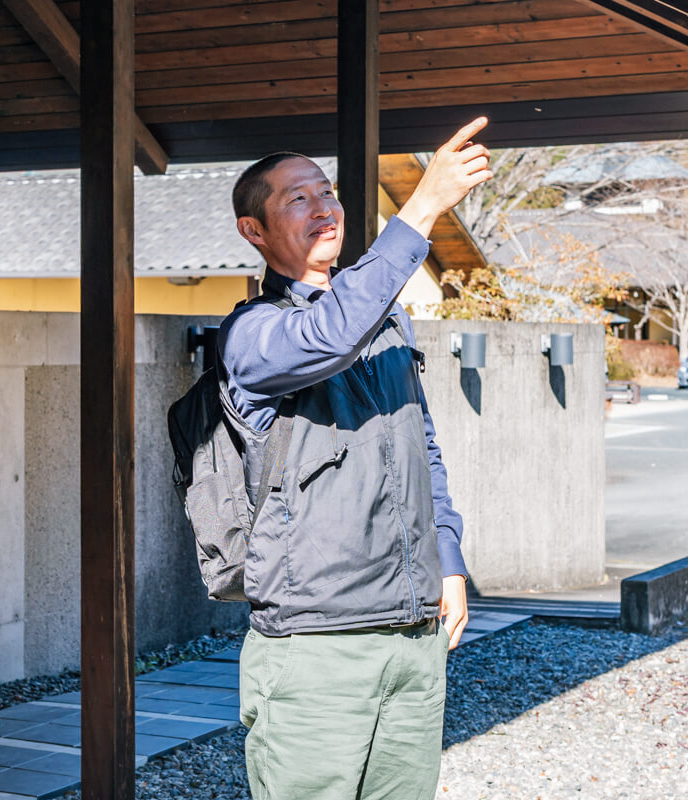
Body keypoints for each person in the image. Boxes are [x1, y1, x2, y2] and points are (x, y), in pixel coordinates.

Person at [221, 118, 493, 800]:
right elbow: (329, 331)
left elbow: (421, 444)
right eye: (298, 199)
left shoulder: (385, 321)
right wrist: (423, 207)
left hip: (411, 635)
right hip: (316, 647)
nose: (325, 207)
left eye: (329, 192)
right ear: (254, 231)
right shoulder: (252, 335)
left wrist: (449, 560)